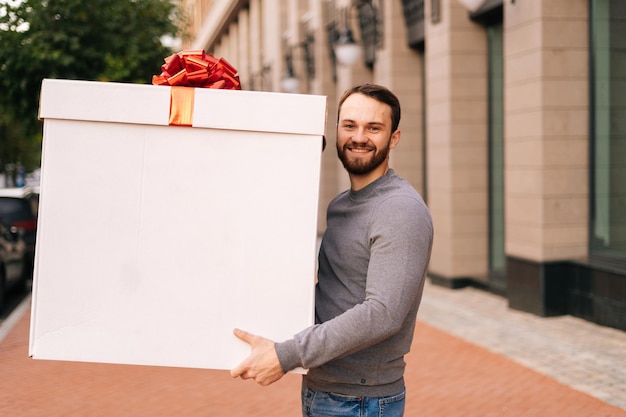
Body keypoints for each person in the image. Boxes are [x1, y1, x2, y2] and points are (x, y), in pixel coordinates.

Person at [230, 83, 434, 417]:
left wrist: (286, 354)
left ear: (393, 138)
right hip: (323, 389)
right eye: (350, 125)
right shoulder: (340, 205)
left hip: (361, 401)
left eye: (374, 128)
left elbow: (383, 314)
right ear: (336, 130)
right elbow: (332, 293)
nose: (359, 137)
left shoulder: (400, 209)